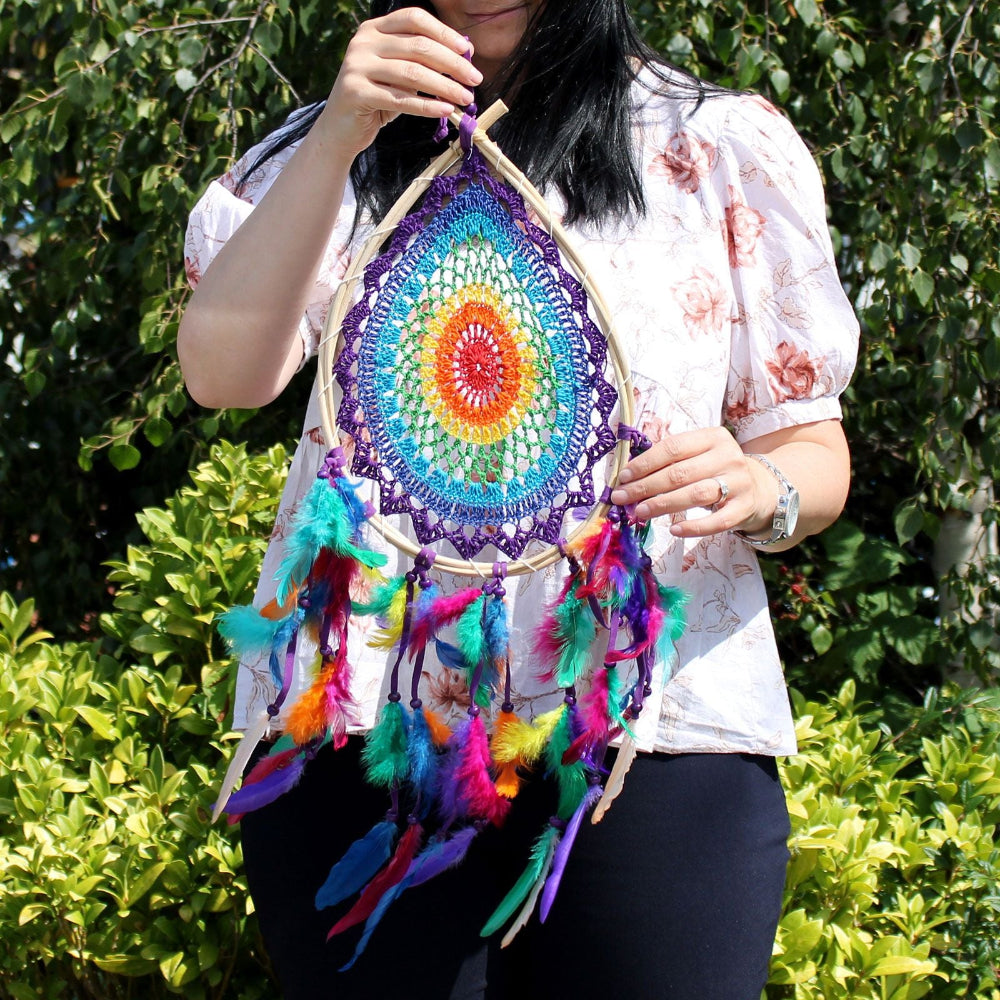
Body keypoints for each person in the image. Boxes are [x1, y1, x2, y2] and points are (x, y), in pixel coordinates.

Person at [178, 1, 858, 997]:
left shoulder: (714, 143)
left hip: (656, 722)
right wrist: (336, 136)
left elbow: (811, 448)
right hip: (366, 726)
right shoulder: (333, 149)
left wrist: (765, 487)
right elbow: (222, 374)